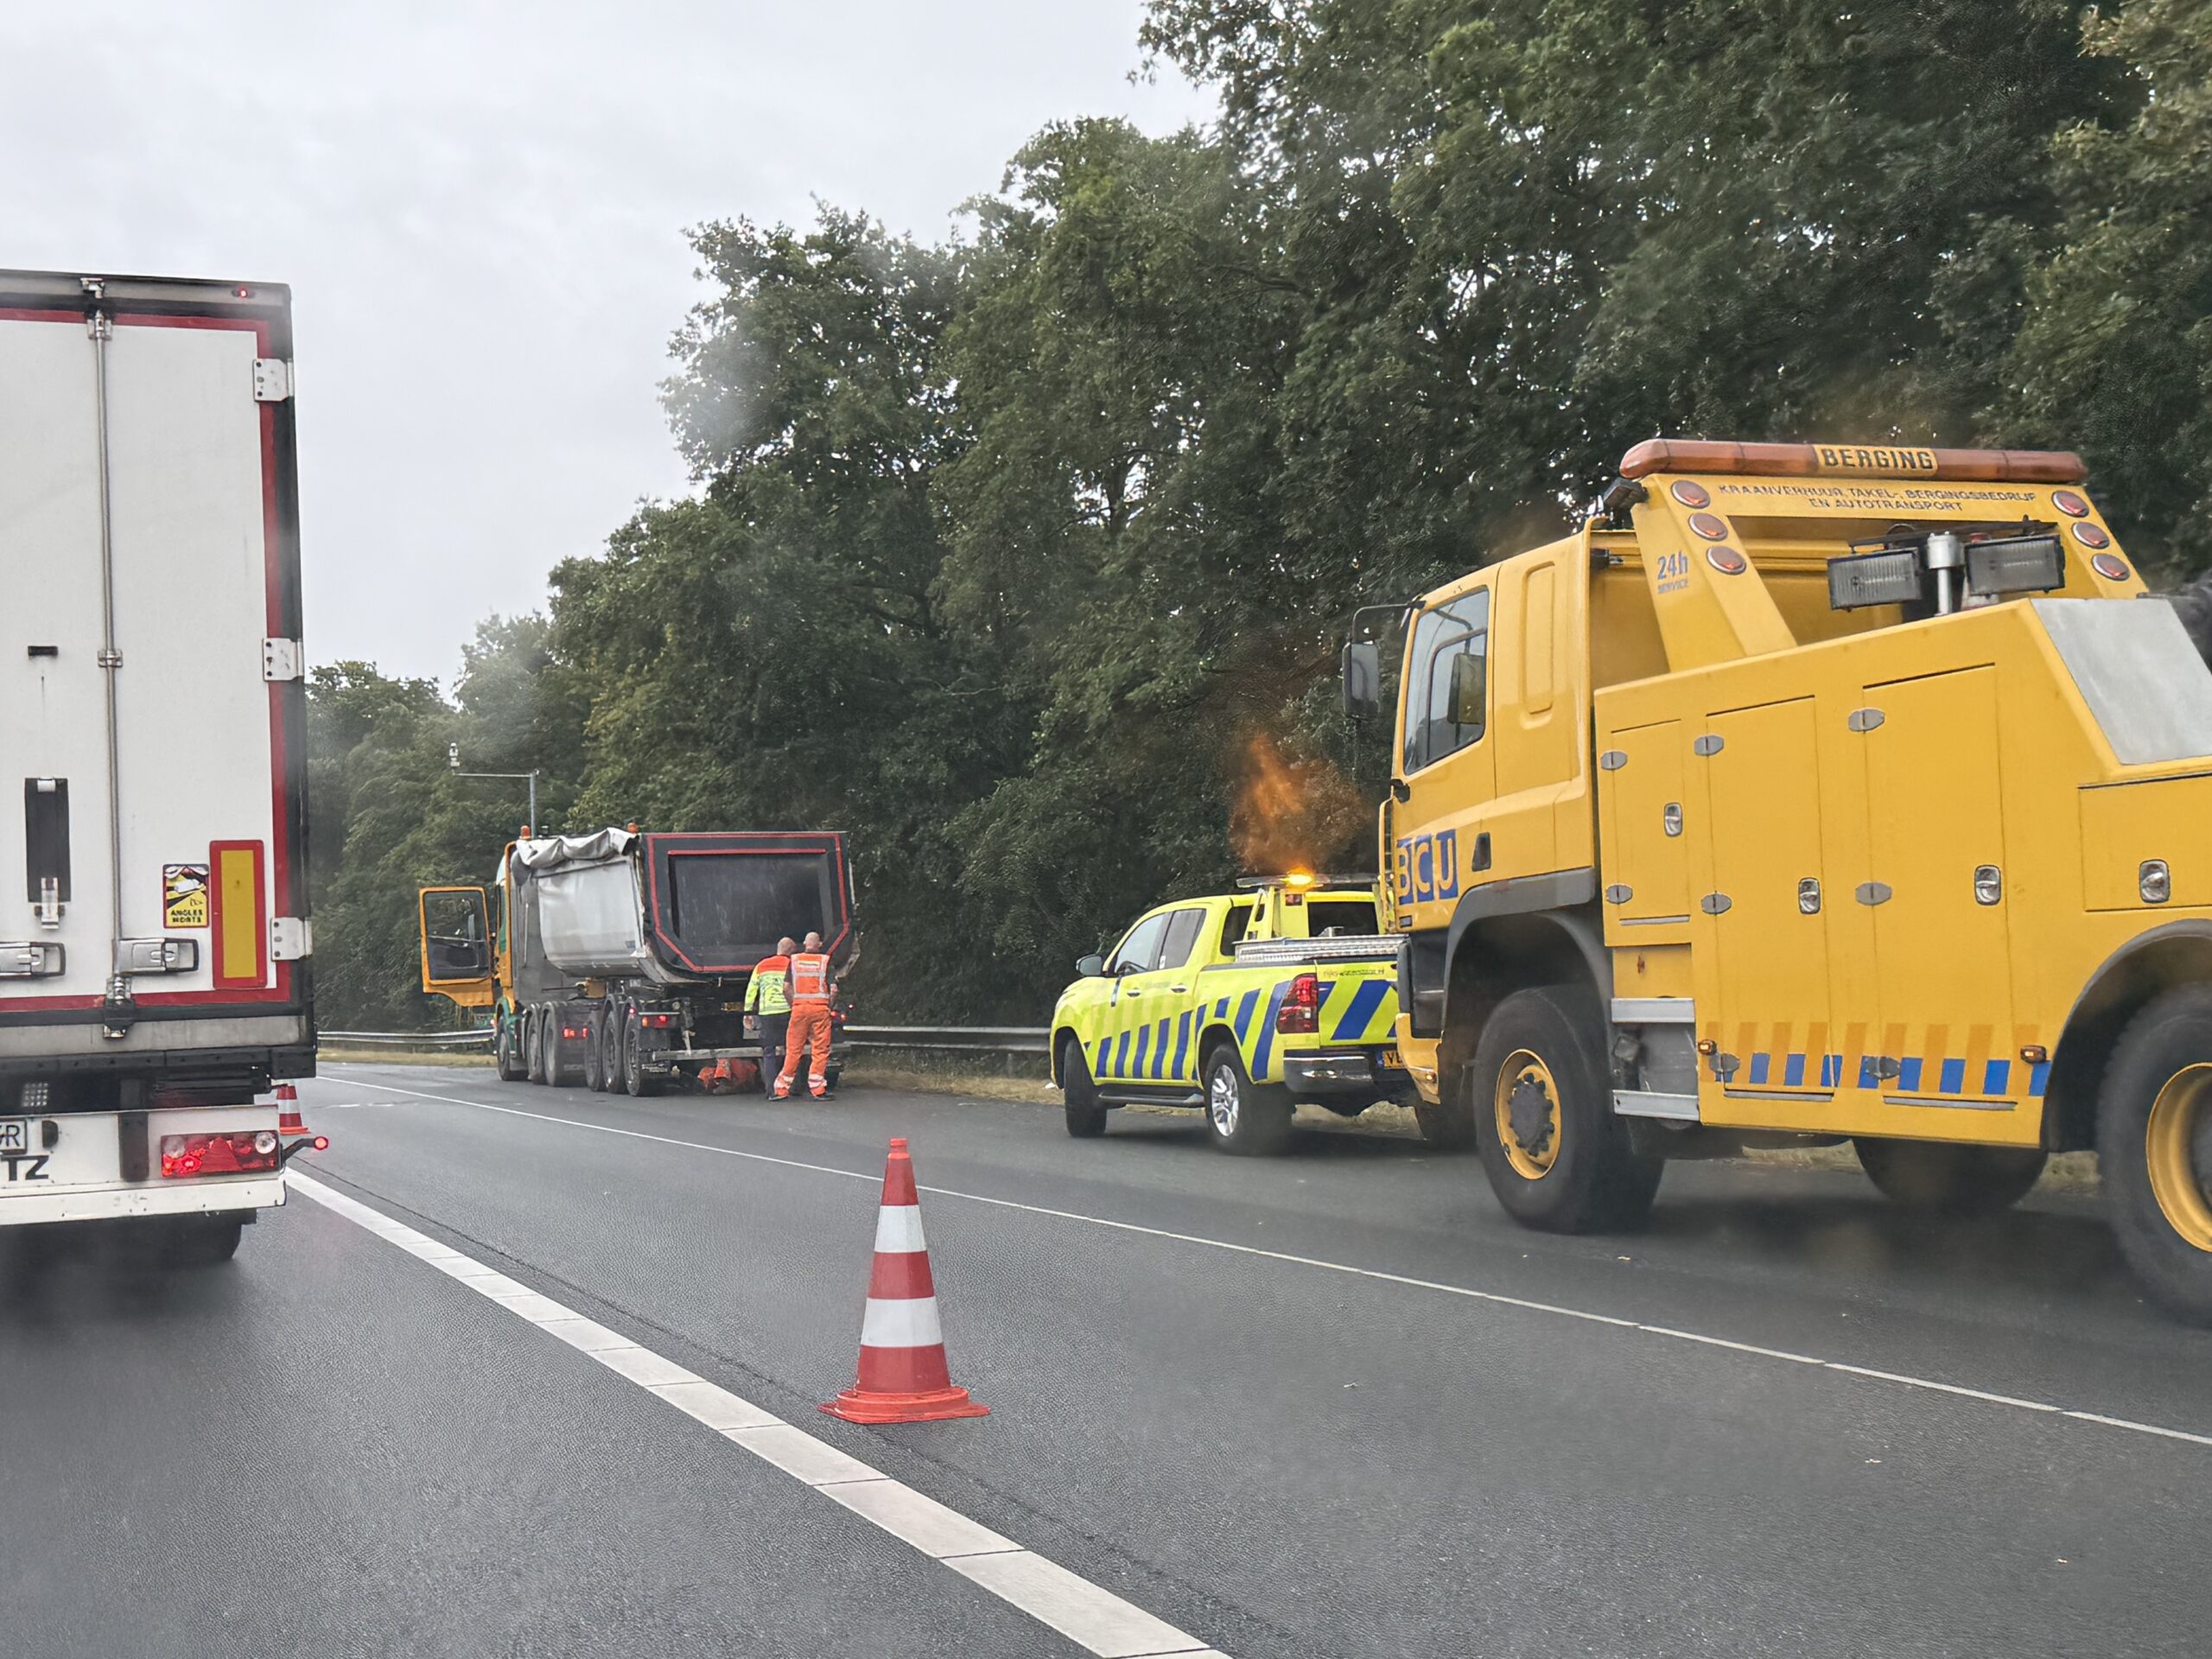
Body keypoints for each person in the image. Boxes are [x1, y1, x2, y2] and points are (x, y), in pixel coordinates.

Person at [773, 931, 836, 1100]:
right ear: (819, 944)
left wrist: (794, 1004)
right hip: (820, 1010)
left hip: (799, 1010)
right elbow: (834, 989)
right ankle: (817, 1089)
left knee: (793, 1049)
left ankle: (781, 1089)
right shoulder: (825, 961)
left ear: (804, 943)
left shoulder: (794, 961)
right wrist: (828, 1006)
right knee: (820, 1050)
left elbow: (786, 988)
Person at [745, 937, 796, 1094]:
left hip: (767, 1013)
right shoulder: (792, 964)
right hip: (789, 1011)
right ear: (790, 951)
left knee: (769, 1052)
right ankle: (792, 1088)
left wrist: (747, 1013)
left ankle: (771, 1091)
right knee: (792, 1051)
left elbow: (752, 990)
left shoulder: (762, 965)